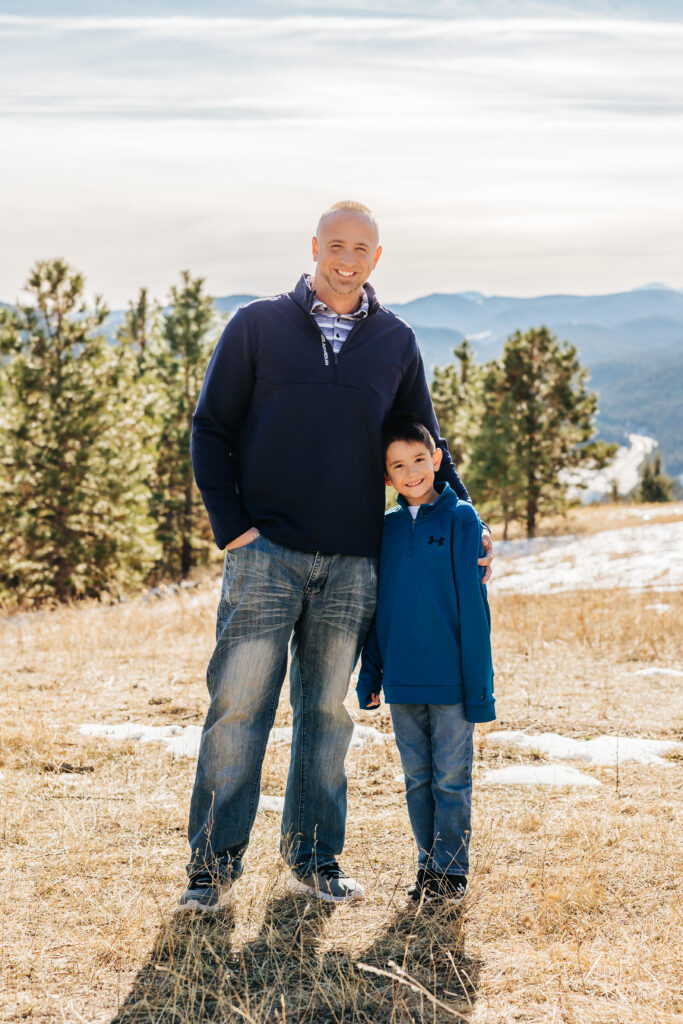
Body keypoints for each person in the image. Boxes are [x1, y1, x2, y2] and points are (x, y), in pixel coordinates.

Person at [179, 200, 493, 912]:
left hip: (354, 561)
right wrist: (234, 529)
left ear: (376, 258)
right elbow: (209, 429)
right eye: (336, 245)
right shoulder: (258, 325)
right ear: (314, 246)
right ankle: (209, 870)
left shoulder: (394, 340)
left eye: (362, 249)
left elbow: (426, 443)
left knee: (326, 714)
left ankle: (314, 861)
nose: (347, 259)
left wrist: (465, 521)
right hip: (265, 553)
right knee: (237, 708)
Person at [357, 412, 495, 903]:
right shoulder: (388, 530)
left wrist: (480, 684)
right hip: (402, 682)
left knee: (451, 780)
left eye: (420, 459)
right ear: (386, 476)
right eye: (399, 465)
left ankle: (452, 872)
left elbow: (474, 609)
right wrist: (371, 672)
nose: (412, 472)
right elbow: (380, 608)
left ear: (437, 459)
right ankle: (427, 867)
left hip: (452, 681)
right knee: (417, 779)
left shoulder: (461, 520)